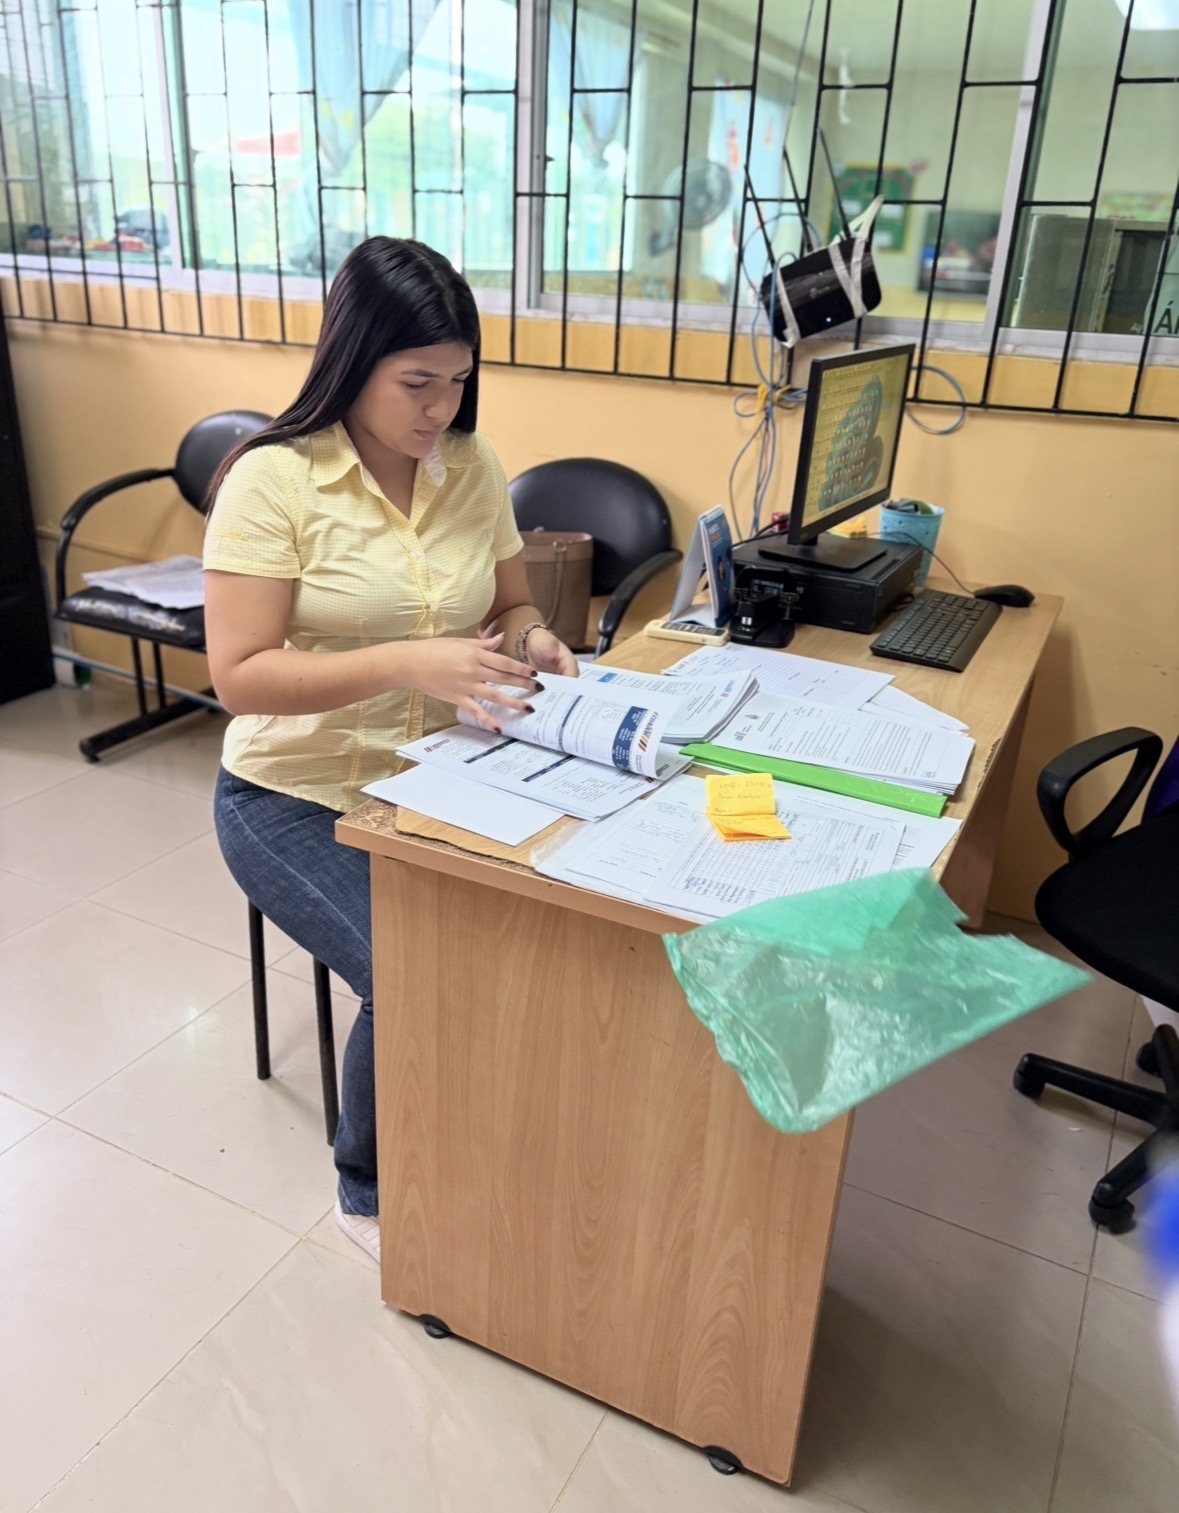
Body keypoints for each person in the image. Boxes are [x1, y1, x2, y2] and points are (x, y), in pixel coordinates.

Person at [203, 237, 579, 1263]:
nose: (440, 409)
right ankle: (367, 1186)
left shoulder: (471, 465)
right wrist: (408, 662)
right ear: (353, 359)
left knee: (550, 927)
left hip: (444, 776)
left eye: (458, 383)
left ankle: (488, 1121)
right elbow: (240, 676)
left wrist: (535, 640)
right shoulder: (273, 480)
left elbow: (511, 605)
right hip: (292, 795)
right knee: (417, 965)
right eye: (417, 383)